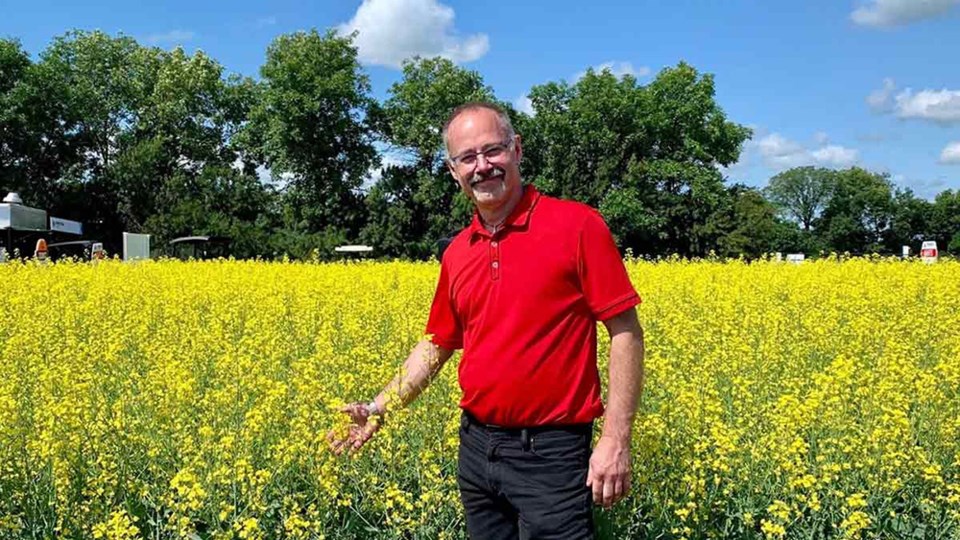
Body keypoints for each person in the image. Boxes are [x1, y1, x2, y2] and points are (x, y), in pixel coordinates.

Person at [330, 102, 645, 539]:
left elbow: (625, 333)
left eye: (492, 150)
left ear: (516, 150)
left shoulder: (577, 226)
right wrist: (379, 406)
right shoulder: (459, 250)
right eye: (467, 158)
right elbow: (437, 343)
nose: (482, 166)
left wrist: (615, 440)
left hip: (551, 452)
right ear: (453, 170)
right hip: (477, 449)